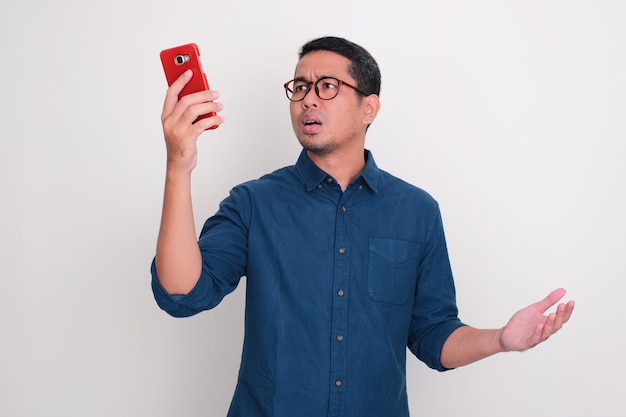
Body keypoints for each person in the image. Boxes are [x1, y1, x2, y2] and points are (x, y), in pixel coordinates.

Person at [151, 36, 575, 417]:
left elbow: (433, 334)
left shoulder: (416, 210)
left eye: (327, 86)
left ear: (368, 106)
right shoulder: (254, 202)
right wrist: (178, 167)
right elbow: (183, 293)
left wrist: (500, 338)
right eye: (299, 87)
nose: (307, 100)